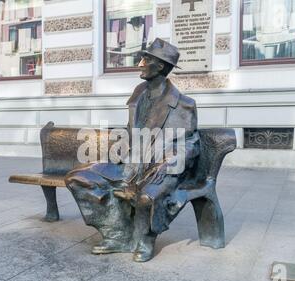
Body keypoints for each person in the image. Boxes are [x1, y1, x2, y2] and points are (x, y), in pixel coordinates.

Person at [65, 38, 200, 262]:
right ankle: (118, 234)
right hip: (130, 163)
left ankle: (145, 238)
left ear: (161, 67)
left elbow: (190, 143)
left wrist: (169, 161)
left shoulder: (184, 105)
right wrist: (117, 151)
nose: (140, 63)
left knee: (145, 196)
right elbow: (130, 130)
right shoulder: (138, 93)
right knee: (78, 178)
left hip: (160, 168)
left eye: (145, 59)